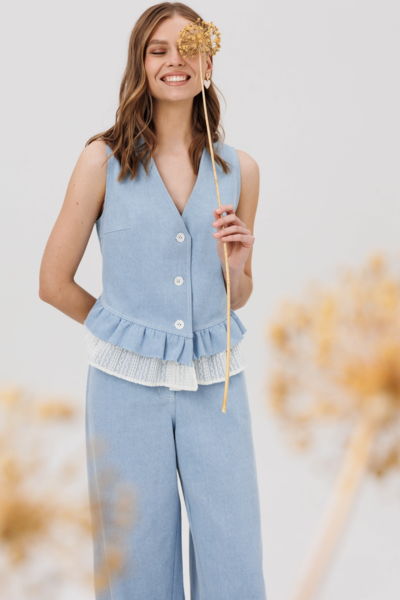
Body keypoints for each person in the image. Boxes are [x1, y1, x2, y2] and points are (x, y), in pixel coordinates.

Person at [39, 3, 267, 599]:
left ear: (208, 62)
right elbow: (53, 282)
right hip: (124, 391)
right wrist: (126, 338)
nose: (174, 61)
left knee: (235, 557)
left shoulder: (239, 170)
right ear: (140, 63)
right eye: (158, 50)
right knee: (133, 560)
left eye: (188, 48)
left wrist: (235, 265)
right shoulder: (102, 160)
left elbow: (238, 295)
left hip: (217, 386)